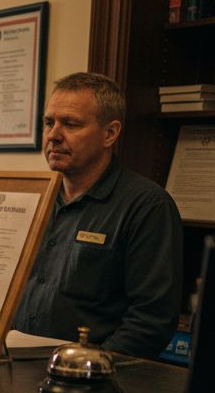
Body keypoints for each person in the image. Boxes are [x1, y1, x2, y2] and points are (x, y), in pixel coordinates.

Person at [12, 72, 183, 358]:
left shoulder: (147, 206)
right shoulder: (34, 198)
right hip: (15, 369)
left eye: (70, 124)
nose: (53, 134)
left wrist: (87, 369)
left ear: (110, 134)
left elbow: (151, 322)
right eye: (48, 122)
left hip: (89, 384)